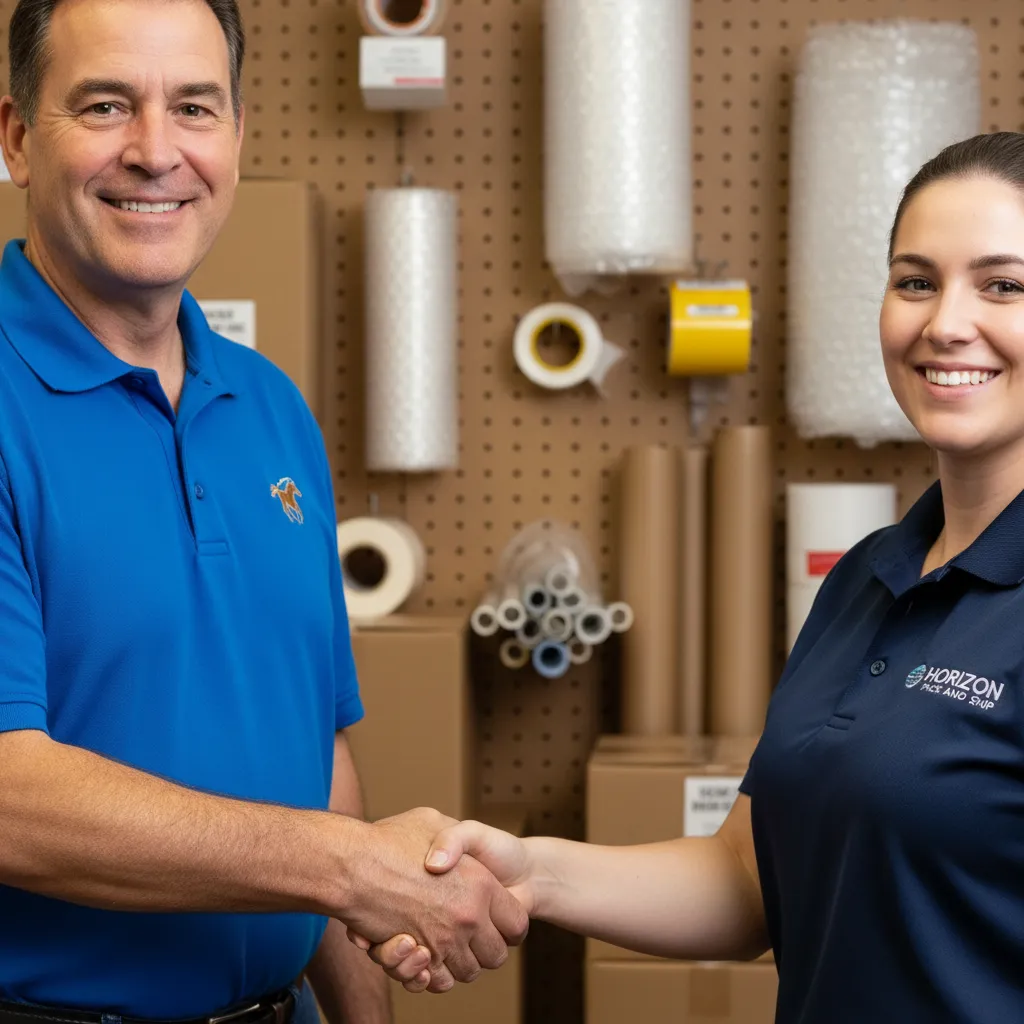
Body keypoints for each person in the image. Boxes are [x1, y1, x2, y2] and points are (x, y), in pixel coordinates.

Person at [367, 131, 1024, 1021]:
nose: (945, 321)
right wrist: (534, 874)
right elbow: (748, 877)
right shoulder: (869, 576)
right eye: (915, 280)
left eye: (1003, 285)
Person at [0, 0, 526, 1019]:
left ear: (237, 136)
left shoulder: (269, 407)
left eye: (195, 107)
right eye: (106, 104)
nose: (157, 152)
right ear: (17, 137)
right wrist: (346, 865)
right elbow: (8, 798)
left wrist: (360, 1006)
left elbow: (312, 749)